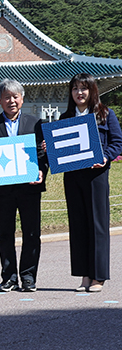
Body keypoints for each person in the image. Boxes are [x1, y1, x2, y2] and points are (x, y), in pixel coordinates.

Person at [0, 79, 47, 293]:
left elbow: (43, 153)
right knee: (5, 233)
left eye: (15, 96)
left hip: (29, 187)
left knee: (32, 233)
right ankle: (9, 277)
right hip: (2, 189)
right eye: (7, 96)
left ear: (22, 99)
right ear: (0, 100)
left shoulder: (36, 123)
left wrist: (42, 171)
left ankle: (28, 277)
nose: (11, 101)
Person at [60, 73, 122, 293]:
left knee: (98, 224)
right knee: (78, 225)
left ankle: (98, 276)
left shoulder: (105, 114)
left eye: (84, 88)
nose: (79, 92)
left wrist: (105, 156)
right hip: (73, 177)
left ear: (92, 90)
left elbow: (117, 143)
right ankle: (85, 274)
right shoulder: (65, 117)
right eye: (75, 88)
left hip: (96, 177)